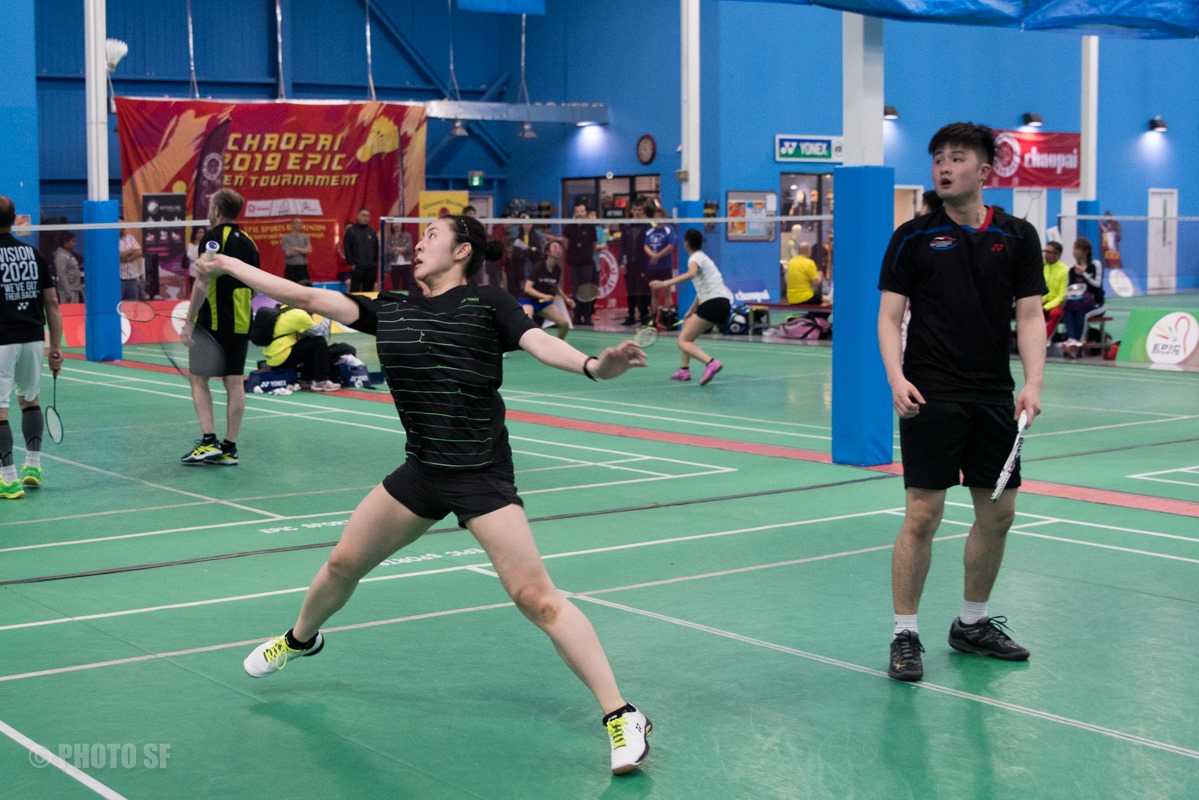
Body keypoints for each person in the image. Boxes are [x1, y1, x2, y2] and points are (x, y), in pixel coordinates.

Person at [196, 214, 653, 775]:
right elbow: (305, 295)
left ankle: (623, 714)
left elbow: (538, 343)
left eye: (432, 236)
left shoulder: (488, 304)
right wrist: (228, 264)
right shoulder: (391, 308)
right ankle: (298, 640)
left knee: (535, 597)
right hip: (422, 470)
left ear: (462, 251)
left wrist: (594, 365)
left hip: (479, 473)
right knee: (342, 564)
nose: (418, 244)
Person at [877, 122, 1046, 683]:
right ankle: (905, 634)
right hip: (931, 393)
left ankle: (971, 624)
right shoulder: (913, 237)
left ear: (985, 170)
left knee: (998, 514)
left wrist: (1033, 382)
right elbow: (889, 316)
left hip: (994, 396)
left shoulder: (1018, 236)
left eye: (956, 158)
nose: (944, 168)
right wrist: (896, 377)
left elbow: (1029, 315)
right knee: (922, 514)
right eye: (938, 160)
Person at [180, 188, 259, 467]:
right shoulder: (250, 242)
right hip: (242, 319)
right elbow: (255, 283)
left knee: (198, 379)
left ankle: (208, 441)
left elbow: (203, 281)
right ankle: (229, 448)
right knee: (234, 381)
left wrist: (189, 321)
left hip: (213, 319)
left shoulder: (212, 238)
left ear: (216, 210)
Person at [0, 195, 65, 497]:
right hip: (33, 338)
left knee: (1, 410)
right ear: (14, 220)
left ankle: (8, 478)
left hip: (2, 340)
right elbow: (52, 302)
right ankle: (33, 466)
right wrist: (56, 347)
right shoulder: (33, 254)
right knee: (30, 400)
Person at [649, 229, 732, 386]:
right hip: (722, 303)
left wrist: (665, 283)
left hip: (713, 304)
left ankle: (711, 363)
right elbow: (702, 291)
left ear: (686, 243)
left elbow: (691, 274)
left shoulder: (695, 258)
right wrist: (691, 311)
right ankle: (684, 369)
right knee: (687, 325)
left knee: (682, 341)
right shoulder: (704, 258)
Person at [262, 305, 341, 391]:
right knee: (319, 341)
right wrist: (327, 315)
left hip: (272, 359)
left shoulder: (284, 308)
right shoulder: (299, 315)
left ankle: (307, 379)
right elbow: (322, 332)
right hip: (282, 358)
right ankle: (320, 381)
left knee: (310, 342)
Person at [1061, 237, 1106, 358]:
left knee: (1083, 314)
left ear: (1085, 251)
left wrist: (1084, 275)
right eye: (1073, 248)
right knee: (1068, 311)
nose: (1074, 251)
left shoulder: (1095, 265)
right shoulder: (1072, 270)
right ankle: (1071, 340)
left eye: (1077, 248)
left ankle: (1078, 344)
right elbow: (1069, 288)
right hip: (1077, 304)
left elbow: (1097, 286)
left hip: (1096, 304)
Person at [521, 240, 574, 339]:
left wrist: (566, 298)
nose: (558, 249)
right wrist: (544, 295)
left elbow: (555, 285)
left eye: (559, 248)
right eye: (555, 247)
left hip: (543, 303)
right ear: (547, 252)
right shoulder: (539, 267)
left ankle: (557, 344)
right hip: (529, 300)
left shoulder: (557, 270)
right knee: (527, 324)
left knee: (564, 324)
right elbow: (527, 288)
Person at [643, 206, 676, 328]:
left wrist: (658, 256)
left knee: (667, 292)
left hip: (665, 266)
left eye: (659, 216)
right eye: (655, 216)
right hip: (652, 267)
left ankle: (668, 318)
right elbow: (645, 245)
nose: (657, 218)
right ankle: (653, 320)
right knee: (654, 293)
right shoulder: (650, 231)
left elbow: (670, 245)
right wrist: (652, 256)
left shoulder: (669, 230)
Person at [619, 199, 651, 326]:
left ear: (642, 211)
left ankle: (644, 315)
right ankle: (631, 315)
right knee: (631, 290)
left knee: (643, 290)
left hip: (643, 263)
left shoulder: (648, 226)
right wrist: (622, 262)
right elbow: (623, 246)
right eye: (635, 210)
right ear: (631, 211)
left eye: (639, 210)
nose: (637, 212)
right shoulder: (626, 226)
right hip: (630, 263)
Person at [343, 207, 379, 292]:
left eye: (368, 216)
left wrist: (375, 264)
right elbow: (347, 248)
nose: (366, 218)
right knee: (354, 291)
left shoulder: (372, 232)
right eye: (363, 215)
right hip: (357, 268)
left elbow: (376, 249)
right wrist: (351, 263)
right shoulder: (351, 231)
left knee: (369, 292)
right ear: (358, 216)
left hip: (370, 268)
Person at [1041, 241, 1069, 341]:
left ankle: (1044, 340)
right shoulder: (1040, 267)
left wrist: (1046, 306)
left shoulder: (1064, 270)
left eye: (1048, 252)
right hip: (1041, 302)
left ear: (1057, 254)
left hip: (1056, 304)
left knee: (1055, 314)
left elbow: (1062, 295)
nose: (1045, 254)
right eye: (1045, 251)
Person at [280, 217, 312, 286]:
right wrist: (303, 250)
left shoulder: (305, 237)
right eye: (296, 223)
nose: (299, 225)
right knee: (290, 288)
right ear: (292, 225)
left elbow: (309, 250)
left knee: (305, 288)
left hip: (303, 268)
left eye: (300, 223)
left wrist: (295, 248)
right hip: (291, 268)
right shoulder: (286, 238)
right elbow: (288, 253)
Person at [53, 234, 84, 304]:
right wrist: (68, 291)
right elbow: (61, 274)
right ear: (65, 243)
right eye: (72, 241)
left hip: (74, 288)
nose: (74, 243)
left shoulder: (69, 255)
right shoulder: (61, 256)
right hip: (67, 291)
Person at [385, 222, 414, 292]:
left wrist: (396, 249)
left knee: (406, 285)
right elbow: (388, 250)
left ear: (402, 224)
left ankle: (406, 299)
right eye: (394, 223)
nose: (396, 225)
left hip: (406, 263)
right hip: (394, 264)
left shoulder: (407, 235)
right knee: (395, 286)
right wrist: (402, 249)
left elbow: (409, 248)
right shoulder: (390, 237)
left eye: (398, 223)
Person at [118, 223, 144, 301]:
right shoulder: (111, 240)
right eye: (120, 228)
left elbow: (139, 252)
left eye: (123, 228)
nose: (122, 229)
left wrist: (127, 259)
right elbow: (119, 255)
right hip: (119, 279)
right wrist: (131, 250)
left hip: (132, 278)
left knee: (133, 304)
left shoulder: (130, 238)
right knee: (118, 303)